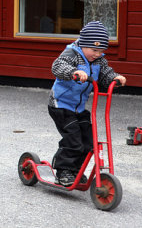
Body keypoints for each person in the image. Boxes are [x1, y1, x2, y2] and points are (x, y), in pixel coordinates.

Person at [48, 21, 126, 186]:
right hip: (60, 105)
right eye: (94, 50)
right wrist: (73, 72)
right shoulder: (72, 53)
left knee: (89, 142)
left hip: (79, 108)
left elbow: (106, 73)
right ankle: (63, 172)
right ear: (83, 44)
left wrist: (115, 78)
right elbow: (57, 66)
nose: (97, 54)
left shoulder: (99, 60)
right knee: (73, 139)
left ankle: (74, 171)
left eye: (101, 51)